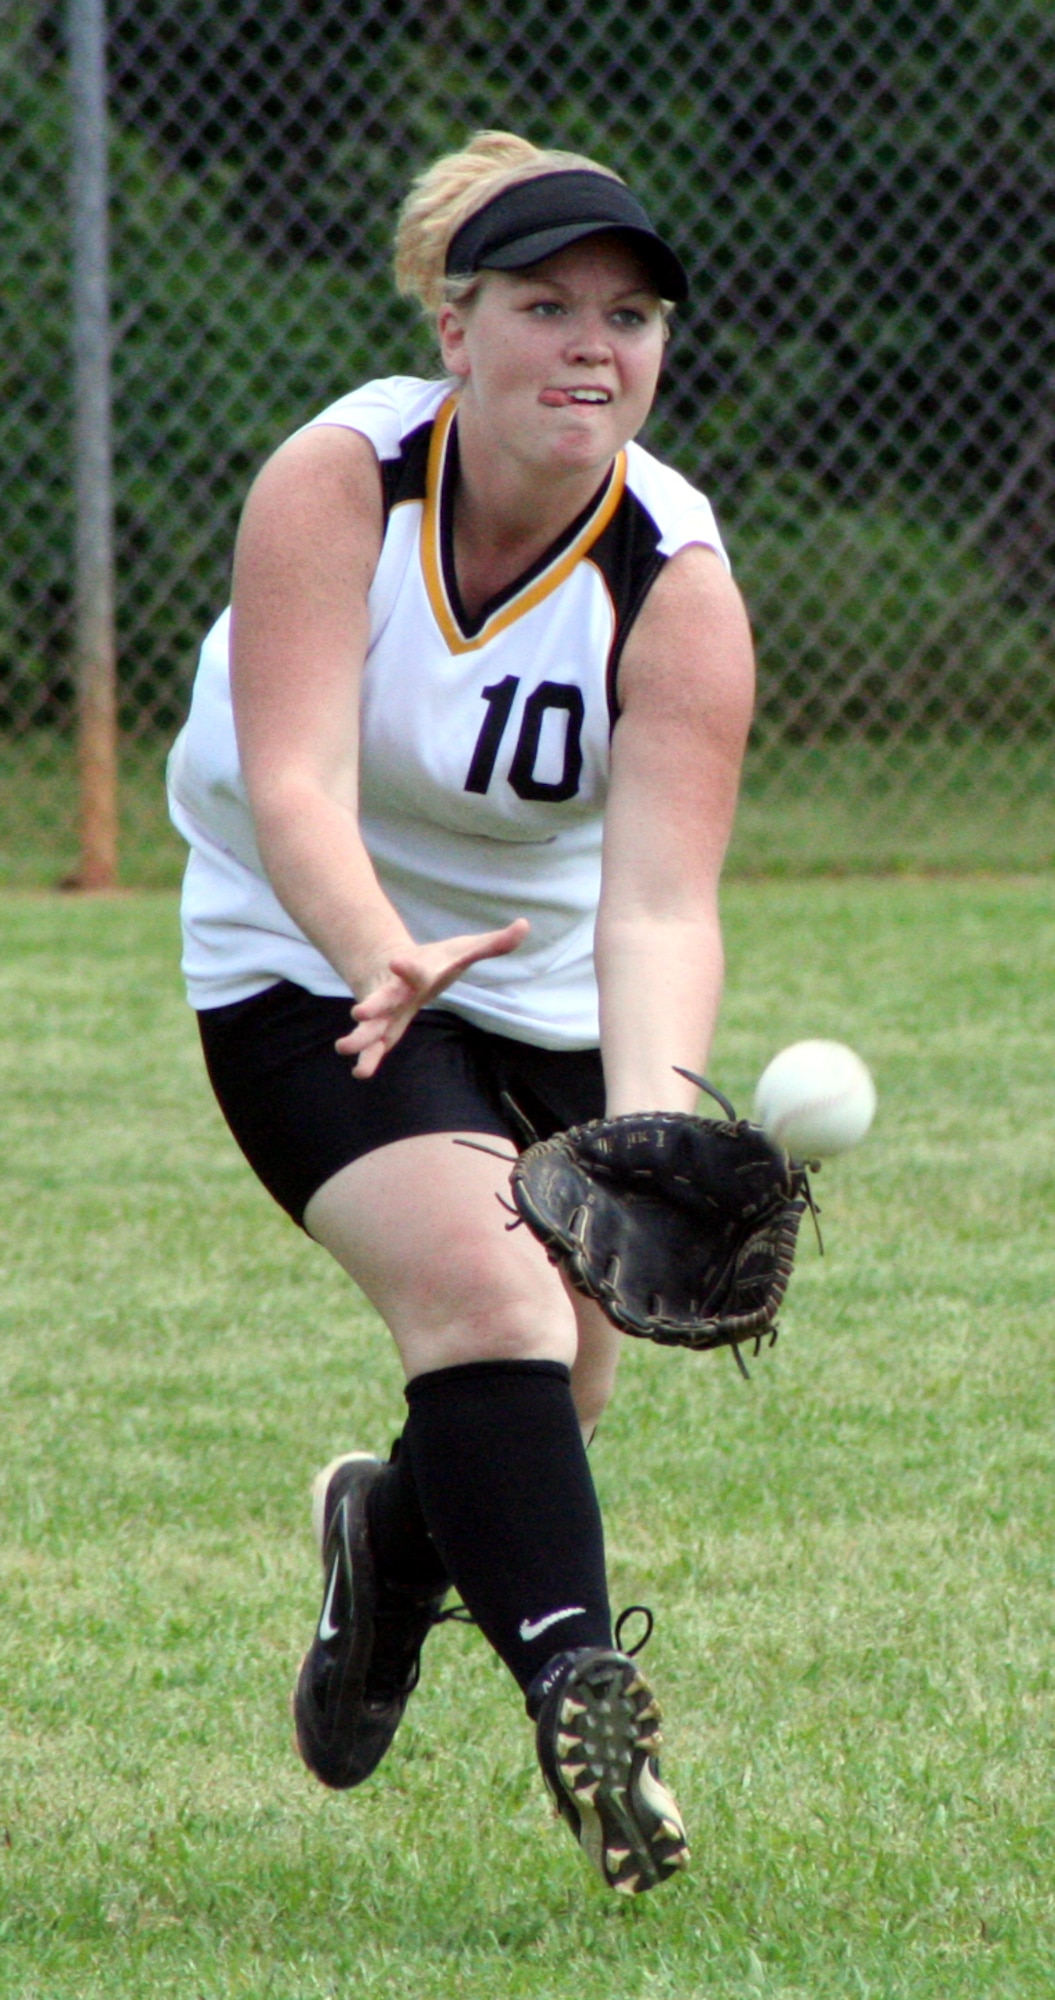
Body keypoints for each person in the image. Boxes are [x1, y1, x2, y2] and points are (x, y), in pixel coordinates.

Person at [167, 129, 755, 1896]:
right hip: (301, 951)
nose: (594, 344)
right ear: (457, 324)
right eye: (546, 304)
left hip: (548, 978)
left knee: (556, 1379)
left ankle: (388, 1546)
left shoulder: (677, 576)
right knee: (489, 1290)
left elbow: (658, 897)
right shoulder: (341, 479)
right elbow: (294, 787)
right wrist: (377, 950)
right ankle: (584, 1684)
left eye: (631, 315)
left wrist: (650, 1123)